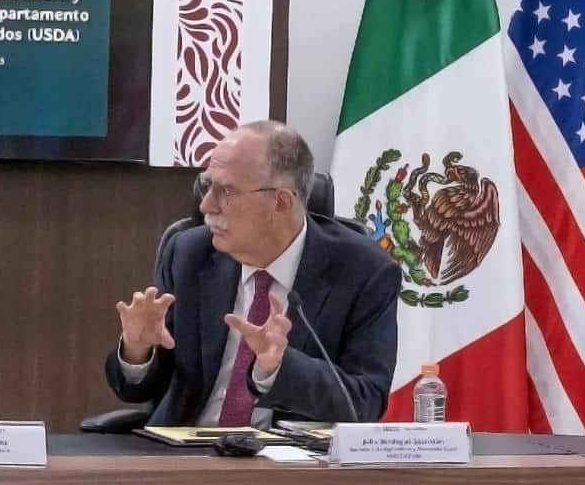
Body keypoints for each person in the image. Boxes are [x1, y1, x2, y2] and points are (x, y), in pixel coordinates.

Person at [106, 120, 399, 426]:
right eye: (207, 186)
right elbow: (139, 389)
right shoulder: (189, 254)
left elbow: (366, 401)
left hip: (288, 467)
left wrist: (276, 368)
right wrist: (138, 350)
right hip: (183, 457)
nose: (206, 205)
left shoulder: (364, 271)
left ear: (281, 202)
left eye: (226, 191)